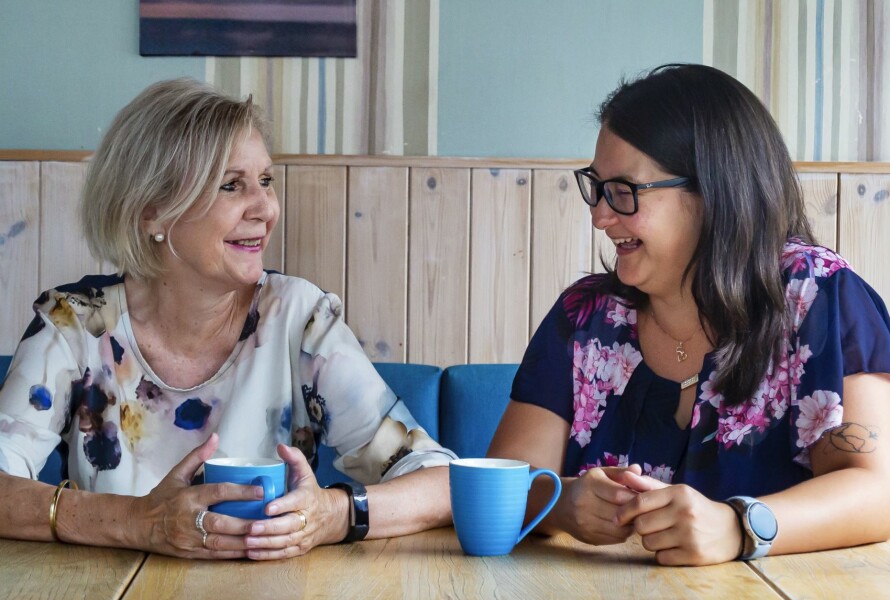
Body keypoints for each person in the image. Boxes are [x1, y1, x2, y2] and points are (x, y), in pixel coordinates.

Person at [0, 78, 455, 560]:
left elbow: (440, 481)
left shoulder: (297, 319)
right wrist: (138, 523)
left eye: (265, 181)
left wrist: (332, 515)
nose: (266, 209)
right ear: (151, 211)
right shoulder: (75, 326)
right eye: (231, 185)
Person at [488, 64, 890, 566]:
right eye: (597, 187)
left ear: (713, 193)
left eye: (624, 191)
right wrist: (563, 505)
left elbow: (877, 492)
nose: (599, 216)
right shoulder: (584, 317)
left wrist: (739, 526)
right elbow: (502, 481)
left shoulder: (817, 295)